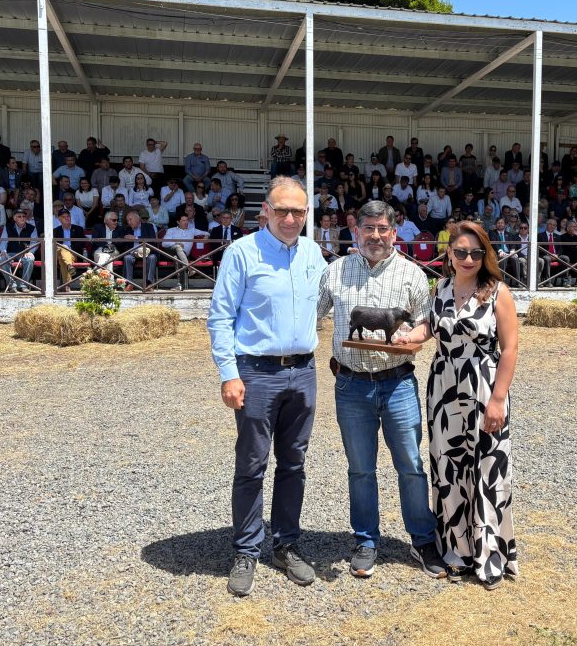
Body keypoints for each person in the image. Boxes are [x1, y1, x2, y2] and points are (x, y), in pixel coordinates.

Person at [316, 200, 448, 581]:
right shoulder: (335, 272)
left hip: (398, 382)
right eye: (368, 228)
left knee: (411, 465)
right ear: (356, 230)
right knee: (360, 469)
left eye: (382, 229)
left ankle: (422, 540)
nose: (375, 236)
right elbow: (310, 313)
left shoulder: (411, 274)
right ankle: (365, 540)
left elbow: (426, 323)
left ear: (394, 232)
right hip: (351, 383)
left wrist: (414, 338)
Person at [208, 176, 325, 597]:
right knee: (252, 465)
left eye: (298, 211)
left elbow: (334, 302)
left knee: (294, 464)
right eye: (282, 211)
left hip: (303, 371)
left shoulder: (313, 253)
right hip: (256, 372)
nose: (290, 218)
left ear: (307, 213)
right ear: (266, 212)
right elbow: (220, 317)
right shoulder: (242, 253)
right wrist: (229, 373)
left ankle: (286, 544)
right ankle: (245, 549)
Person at [395, 220, 519, 589]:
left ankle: (489, 555)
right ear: (449, 252)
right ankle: (457, 551)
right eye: (460, 251)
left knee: (485, 469)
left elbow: (510, 349)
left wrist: (497, 399)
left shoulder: (498, 292)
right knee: (449, 469)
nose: (468, 258)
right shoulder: (441, 288)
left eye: (476, 252)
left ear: (485, 255)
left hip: (483, 388)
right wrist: (407, 337)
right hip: (444, 388)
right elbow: (430, 329)